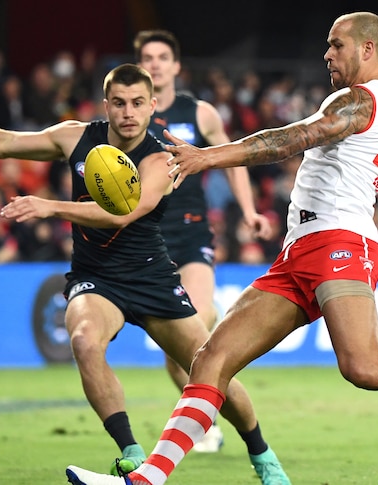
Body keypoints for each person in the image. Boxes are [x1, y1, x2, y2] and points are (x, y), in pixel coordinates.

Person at [65, 12, 378, 485]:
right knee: (211, 359)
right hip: (299, 250)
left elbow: (292, 138)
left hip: (340, 240)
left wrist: (207, 156)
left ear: (368, 49)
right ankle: (146, 480)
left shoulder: (360, 100)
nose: (327, 54)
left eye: (337, 45)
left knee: (363, 366)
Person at [0, 63, 290, 484]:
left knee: (210, 367)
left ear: (153, 106)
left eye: (138, 103)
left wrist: (51, 206)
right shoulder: (77, 136)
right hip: (97, 278)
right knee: (83, 338)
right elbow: (5, 142)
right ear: (106, 105)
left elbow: (123, 213)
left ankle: (262, 454)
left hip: (151, 276)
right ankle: (133, 454)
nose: (128, 112)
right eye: (119, 103)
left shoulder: (161, 160)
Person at [133, 28, 274, 453]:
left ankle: (220, 421)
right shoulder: (127, 120)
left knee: (197, 332)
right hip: (146, 241)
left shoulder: (201, 113)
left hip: (192, 235)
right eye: (147, 57)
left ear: (176, 66)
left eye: (162, 57)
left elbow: (233, 160)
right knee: (179, 358)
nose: (155, 63)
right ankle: (207, 424)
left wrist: (248, 210)